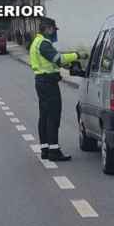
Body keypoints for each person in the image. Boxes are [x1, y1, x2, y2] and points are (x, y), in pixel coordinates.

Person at [29, 17, 88, 161]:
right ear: (48, 28)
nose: (55, 32)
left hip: (42, 81)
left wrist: (67, 66)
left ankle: (45, 149)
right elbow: (58, 59)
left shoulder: (37, 42)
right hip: (48, 83)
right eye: (54, 29)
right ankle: (54, 151)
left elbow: (54, 63)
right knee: (53, 116)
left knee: (44, 116)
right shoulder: (43, 44)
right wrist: (78, 55)